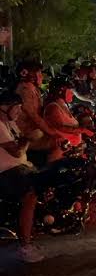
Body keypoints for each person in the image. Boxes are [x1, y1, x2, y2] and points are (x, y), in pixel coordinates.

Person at [0, 91, 44, 262]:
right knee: (30, 195)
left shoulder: (10, 124)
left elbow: (23, 142)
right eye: (16, 108)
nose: (18, 112)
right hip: (6, 171)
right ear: (4, 108)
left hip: (19, 167)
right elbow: (17, 151)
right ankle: (25, 246)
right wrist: (29, 138)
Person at [43, 77, 95, 162]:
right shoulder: (53, 108)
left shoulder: (64, 105)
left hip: (73, 150)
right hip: (61, 154)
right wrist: (83, 130)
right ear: (61, 91)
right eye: (70, 92)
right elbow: (59, 128)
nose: (72, 94)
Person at [14, 62, 58, 154]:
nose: (42, 76)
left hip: (34, 130)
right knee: (58, 142)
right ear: (31, 75)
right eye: (39, 73)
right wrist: (51, 131)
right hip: (26, 134)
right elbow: (34, 116)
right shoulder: (25, 91)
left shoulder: (34, 89)